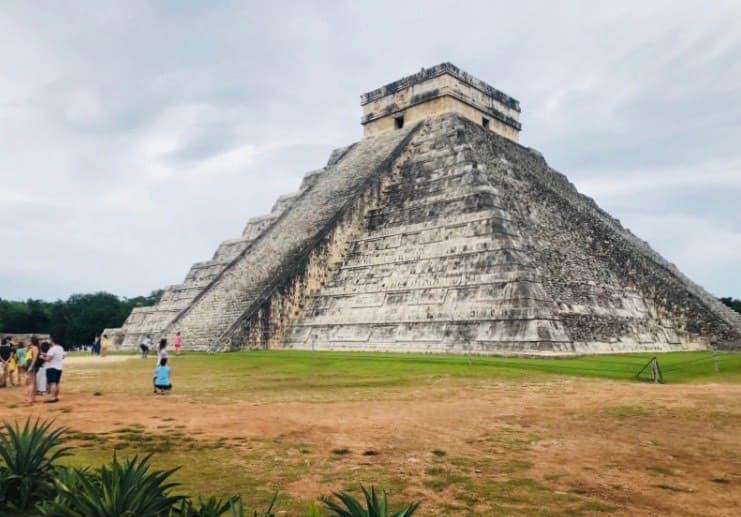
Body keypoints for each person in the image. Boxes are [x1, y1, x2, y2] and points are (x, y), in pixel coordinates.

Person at [41, 337, 65, 403]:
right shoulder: (60, 348)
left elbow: (48, 359)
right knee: (57, 383)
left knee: (52, 383)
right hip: (59, 367)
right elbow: (63, 356)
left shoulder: (52, 349)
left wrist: (42, 357)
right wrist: (46, 354)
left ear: (52, 341)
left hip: (51, 367)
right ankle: (56, 396)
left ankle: (52, 397)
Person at [25, 336, 41, 404]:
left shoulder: (34, 348)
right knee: (33, 382)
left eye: (29, 340)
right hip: (30, 365)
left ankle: (30, 398)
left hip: (32, 365)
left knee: (31, 383)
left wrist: (31, 366)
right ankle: (33, 398)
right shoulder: (31, 348)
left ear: (32, 341)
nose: (28, 341)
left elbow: (34, 358)